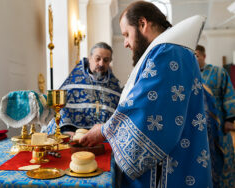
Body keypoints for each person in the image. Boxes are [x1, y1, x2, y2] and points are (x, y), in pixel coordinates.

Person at [80, 1, 212, 188]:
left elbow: (147, 111)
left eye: (126, 34)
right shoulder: (168, 51)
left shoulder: (167, 53)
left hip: (169, 173)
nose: (125, 43)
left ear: (143, 24)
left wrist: (104, 130)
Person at [42, 42, 122, 136]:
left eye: (106, 60)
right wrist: (67, 132)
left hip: (103, 137)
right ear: (89, 59)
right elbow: (61, 111)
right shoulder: (74, 81)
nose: (101, 63)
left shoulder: (114, 87)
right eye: (97, 59)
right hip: (75, 136)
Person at [195, 44, 235, 188]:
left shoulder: (218, 72)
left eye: (197, 55)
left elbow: (229, 94)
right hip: (198, 128)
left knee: (223, 157)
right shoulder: (188, 76)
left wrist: (230, 119)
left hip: (218, 124)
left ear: (204, 56)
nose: (194, 58)